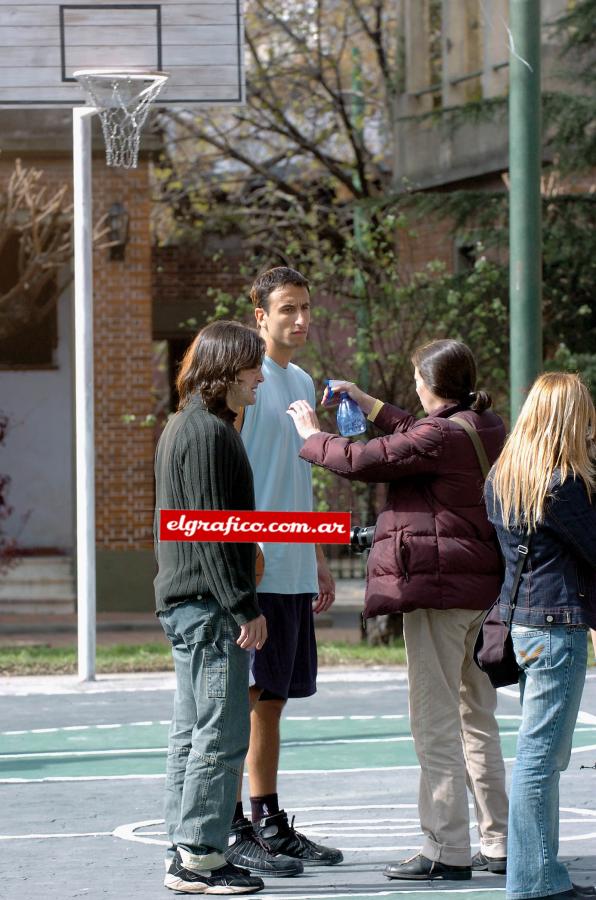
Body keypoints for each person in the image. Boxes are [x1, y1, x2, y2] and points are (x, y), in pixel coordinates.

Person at [287, 338, 509, 880]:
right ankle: (498, 842)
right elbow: (416, 434)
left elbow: (367, 459)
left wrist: (313, 438)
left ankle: (445, 848)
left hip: (437, 592)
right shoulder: (484, 425)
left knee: (434, 721)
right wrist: (367, 402)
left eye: (415, 377)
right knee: (477, 719)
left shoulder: (436, 437)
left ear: (428, 383)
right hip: (480, 593)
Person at [225, 266, 343, 876]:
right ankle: (236, 824)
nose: (300, 320)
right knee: (250, 699)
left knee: (273, 700)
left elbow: (302, 475)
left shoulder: (301, 379)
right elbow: (230, 482)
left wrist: (319, 556)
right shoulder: (243, 384)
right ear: (260, 316)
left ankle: (269, 820)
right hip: (258, 567)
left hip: (297, 563)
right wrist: (243, 557)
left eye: (305, 308)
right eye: (287, 309)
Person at [154, 320, 267, 895]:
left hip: (191, 605)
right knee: (220, 735)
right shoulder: (207, 433)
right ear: (224, 369)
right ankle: (199, 854)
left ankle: (187, 848)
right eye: (253, 366)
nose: (260, 376)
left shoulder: (186, 426)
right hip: (209, 608)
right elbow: (214, 532)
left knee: (192, 733)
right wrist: (245, 607)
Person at [485, 372, 596, 900]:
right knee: (541, 759)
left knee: (538, 756)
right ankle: (534, 879)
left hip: (523, 626)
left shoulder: (506, 477)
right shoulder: (565, 483)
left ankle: (539, 872)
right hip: (558, 628)